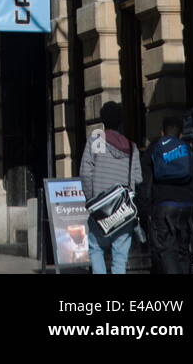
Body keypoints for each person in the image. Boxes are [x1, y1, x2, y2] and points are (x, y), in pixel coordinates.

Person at [79, 100, 142, 274]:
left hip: (100, 210)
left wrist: (92, 200)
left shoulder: (95, 141)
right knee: (120, 257)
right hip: (123, 211)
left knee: (96, 249)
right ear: (121, 122)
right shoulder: (132, 147)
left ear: (103, 121)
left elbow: (85, 174)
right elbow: (137, 179)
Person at [139, 116, 193, 274]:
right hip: (186, 207)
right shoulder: (189, 150)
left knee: (166, 252)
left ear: (162, 132)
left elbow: (145, 182)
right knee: (183, 252)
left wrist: (146, 209)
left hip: (163, 207)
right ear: (181, 135)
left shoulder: (154, 149)